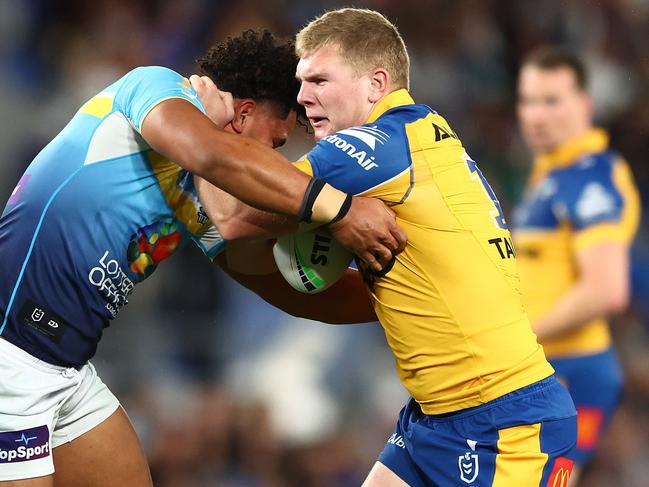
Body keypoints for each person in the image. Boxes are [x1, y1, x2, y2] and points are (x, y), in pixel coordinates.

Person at [0, 29, 405, 486]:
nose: (274, 159)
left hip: (67, 367)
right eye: (274, 144)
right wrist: (341, 209)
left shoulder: (200, 192)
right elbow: (207, 157)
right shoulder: (154, 87)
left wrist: (405, 303)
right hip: (11, 358)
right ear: (245, 112)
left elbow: (276, 283)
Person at [201, 8, 579, 487]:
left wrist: (208, 132)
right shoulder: (422, 133)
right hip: (437, 415)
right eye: (300, 83)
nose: (301, 97)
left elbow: (232, 217)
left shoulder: (368, 148)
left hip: (503, 426)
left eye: (319, 79)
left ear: (375, 84)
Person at [512, 47, 641, 485]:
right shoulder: (549, 175)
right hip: (544, 370)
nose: (537, 114)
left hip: (569, 371)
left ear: (584, 105)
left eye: (552, 101)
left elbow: (607, 288)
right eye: (528, 100)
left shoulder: (591, 177)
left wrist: (518, 339)